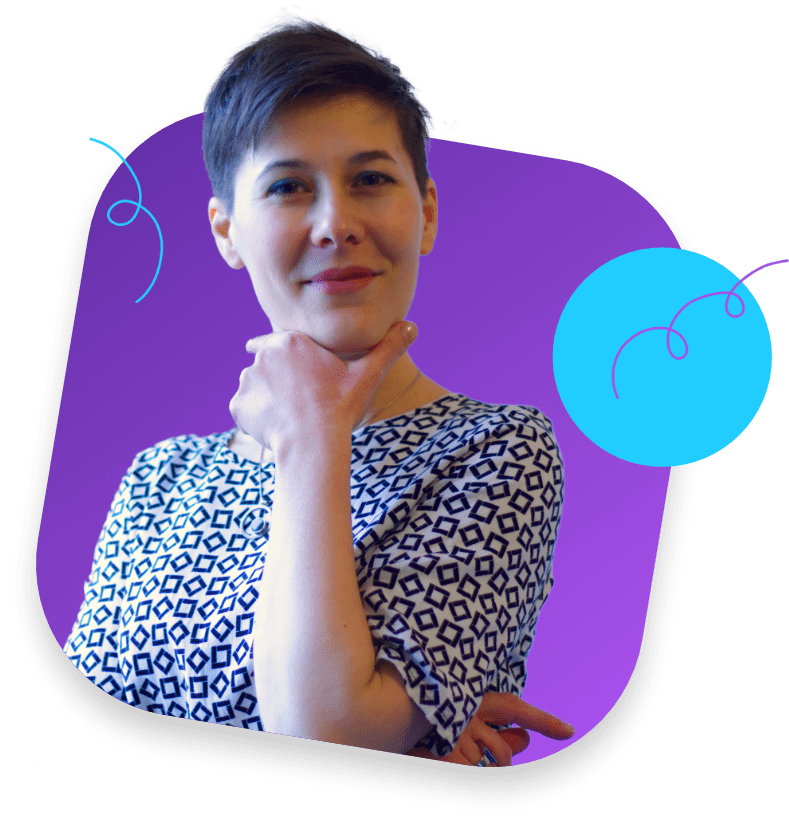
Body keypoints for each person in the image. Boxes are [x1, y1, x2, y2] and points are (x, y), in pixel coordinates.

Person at [64, 14, 572, 767]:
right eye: (288, 186)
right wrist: (406, 736)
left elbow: (321, 745)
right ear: (226, 231)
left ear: (425, 210)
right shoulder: (159, 477)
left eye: (370, 178)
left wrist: (312, 439)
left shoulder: (494, 451)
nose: (335, 223)